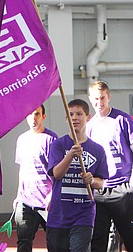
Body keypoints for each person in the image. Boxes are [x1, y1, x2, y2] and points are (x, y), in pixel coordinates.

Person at [86, 80, 133, 252]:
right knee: (98, 241)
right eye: (96, 99)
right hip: (100, 190)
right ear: (91, 99)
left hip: (121, 189)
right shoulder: (90, 127)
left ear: (109, 97)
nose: (100, 103)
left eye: (103, 98)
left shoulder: (122, 119)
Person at [46, 99, 109, 252]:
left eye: (79, 114)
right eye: (71, 114)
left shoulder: (98, 150)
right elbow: (57, 174)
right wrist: (70, 155)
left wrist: (91, 180)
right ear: (67, 119)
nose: (75, 118)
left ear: (88, 117)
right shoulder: (58, 145)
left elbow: (101, 183)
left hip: (84, 214)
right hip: (59, 214)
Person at [13, 104, 58, 252]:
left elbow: (58, 172)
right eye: (30, 114)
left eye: (37, 114)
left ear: (43, 116)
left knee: (56, 243)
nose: (33, 118)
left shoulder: (51, 139)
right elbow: (22, 169)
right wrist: (18, 196)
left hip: (47, 203)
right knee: (23, 243)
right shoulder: (22, 140)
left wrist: (52, 195)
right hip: (26, 202)